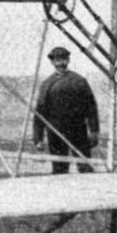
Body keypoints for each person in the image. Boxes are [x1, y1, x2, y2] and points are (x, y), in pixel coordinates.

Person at [33, 46, 100, 174]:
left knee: (85, 165)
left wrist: (94, 131)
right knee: (59, 168)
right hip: (55, 131)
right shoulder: (47, 84)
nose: (60, 63)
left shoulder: (79, 81)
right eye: (57, 60)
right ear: (52, 62)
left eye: (63, 59)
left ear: (68, 60)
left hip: (78, 129)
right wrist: (38, 138)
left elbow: (91, 108)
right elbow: (40, 113)